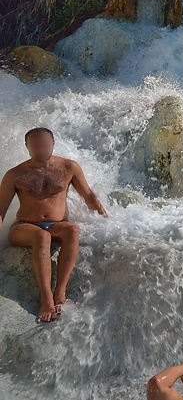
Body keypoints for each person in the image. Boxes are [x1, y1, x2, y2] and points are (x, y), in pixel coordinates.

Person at [0, 127, 107, 322]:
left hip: (57, 225)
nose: (40, 149)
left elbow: (89, 196)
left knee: (73, 230)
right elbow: (1, 211)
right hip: (24, 227)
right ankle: (46, 299)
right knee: (42, 236)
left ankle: (60, 292)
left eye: (45, 145)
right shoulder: (14, 174)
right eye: (35, 146)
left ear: (53, 144)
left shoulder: (68, 168)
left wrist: (106, 221)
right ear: (27, 147)